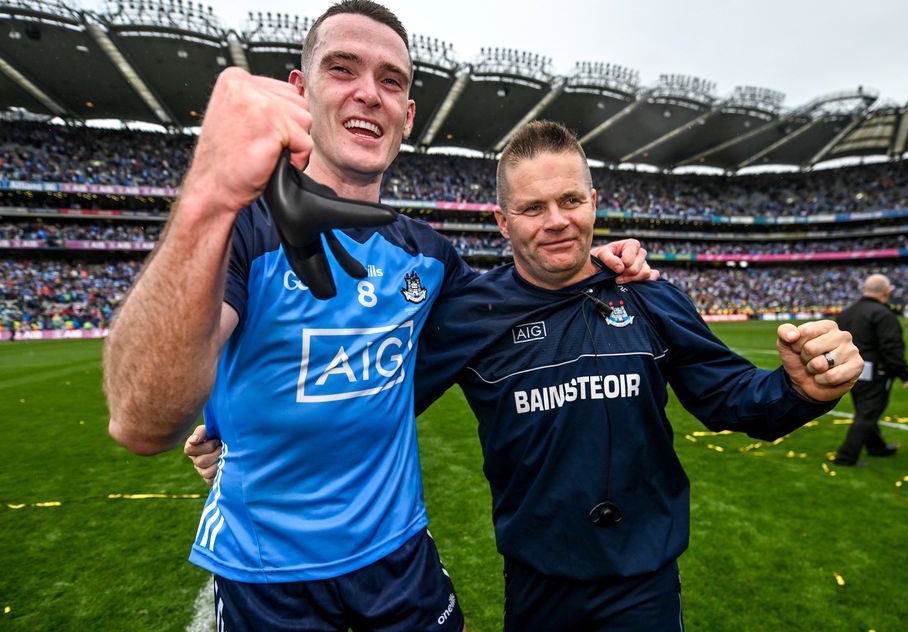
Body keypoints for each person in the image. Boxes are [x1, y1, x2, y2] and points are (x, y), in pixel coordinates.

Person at [103, 0, 652, 632]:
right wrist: (210, 192)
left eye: (391, 80)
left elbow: (522, 299)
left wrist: (594, 259)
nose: (370, 93)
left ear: (408, 113)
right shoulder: (244, 231)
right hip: (268, 577)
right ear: (300, 91)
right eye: (343, 69)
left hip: (400, 563)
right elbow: (142, 422)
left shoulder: (430, 257)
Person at [190, 121, 863, 631]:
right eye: (534, 209)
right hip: (538, 586)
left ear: (594, 201)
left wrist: (800, 390)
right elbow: (366, 391)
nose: (557, 222)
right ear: (502, 221)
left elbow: (732, 398)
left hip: (646, 584)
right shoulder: (465, 313)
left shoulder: (651, 296)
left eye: (570, 200)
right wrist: (234, 430)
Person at [833, 273, 908, 467]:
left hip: (850, 370)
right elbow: (891, 348)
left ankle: (877, 447)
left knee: (865, 409)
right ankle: (846, 457)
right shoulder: (883, 314)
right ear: (886, 291)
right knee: (868, 413)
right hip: (875, 371)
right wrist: (906, 376)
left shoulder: (847, 312)